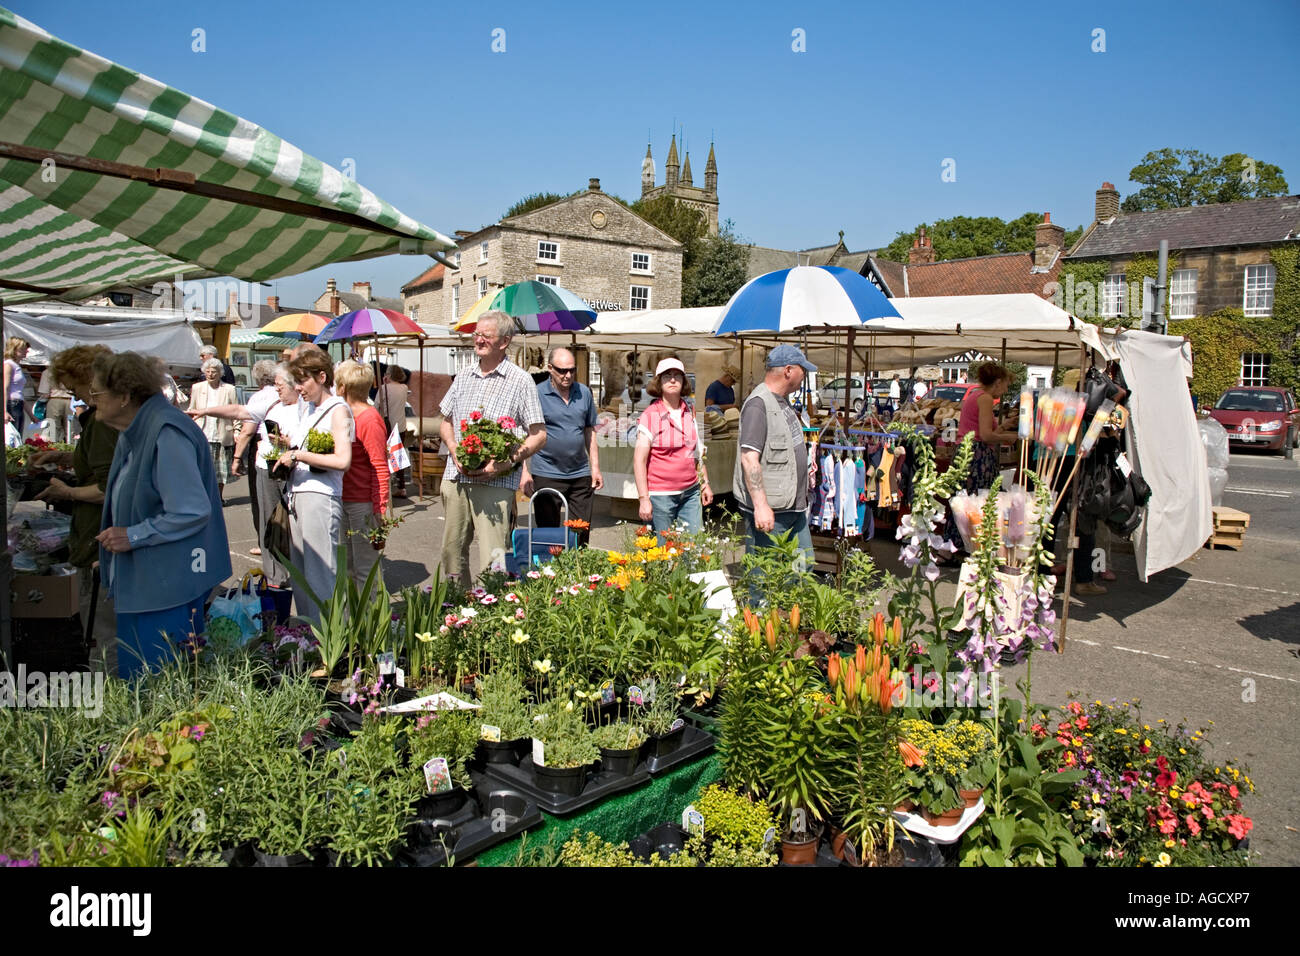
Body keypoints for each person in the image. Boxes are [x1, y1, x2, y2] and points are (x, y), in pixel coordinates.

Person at [92, 351, 231, 678]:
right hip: (149, 585)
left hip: (167, 586)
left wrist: (131, 536)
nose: (91, 400)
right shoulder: (140, 429)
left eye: (97, 393)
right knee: (143, 686)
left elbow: (191, 510)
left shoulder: (165, 430)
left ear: (124, 396)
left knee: (159, 689)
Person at [439, 311, 546, 586]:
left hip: (496, 480)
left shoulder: (520, 380)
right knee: (452, 552)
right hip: (457, 477)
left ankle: (492, 614)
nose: (478, 339)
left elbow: (538, 435)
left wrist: (507, 461)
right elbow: (446, 423)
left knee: (494, 556)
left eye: (486, 335)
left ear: (504, 341)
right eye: (477, 334)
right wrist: (453, 449)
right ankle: (455, 610)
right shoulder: (463, 376)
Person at [32, 346, 120, 670]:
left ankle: (110, 696)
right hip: (99, 537)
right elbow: (98, 464)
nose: (74, 396)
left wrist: (66, 492)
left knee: (102, 629)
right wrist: (62, 458)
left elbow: (108, 486)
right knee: (101, 626)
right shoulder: (103, 418)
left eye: (75, 388)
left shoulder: (103, 420)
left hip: (100, 538)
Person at [187, 362, 299, 586]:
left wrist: (290, 443)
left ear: (294, 385)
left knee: (295, 521)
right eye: (275, 385)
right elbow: (239, 411)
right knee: (268, 520)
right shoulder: (272, 403)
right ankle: (274, 575)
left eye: (280, 386)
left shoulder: (306, 406)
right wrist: (205, 411)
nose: (276, 389)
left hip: (294, 469)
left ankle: (300, 572)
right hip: (266, 467)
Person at [278, 349, 353, 622]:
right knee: (301, 575)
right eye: (296, 381)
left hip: (320, 498)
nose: (298, 388)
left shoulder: (338, 410)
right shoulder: (311, 410)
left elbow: (343, 459)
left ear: (322, 377)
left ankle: (333, 643)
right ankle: (310, 637)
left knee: (321, 574)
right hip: (298, 495)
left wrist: (298, 454)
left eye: (303, 380)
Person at [734, 345, 816, 565]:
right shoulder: (758, 405)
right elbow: (749, 458)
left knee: (802, 568)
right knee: (766, 577)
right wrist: (761, 506)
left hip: (794, 508)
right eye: (802, 370)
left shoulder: (781, 401)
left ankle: (794, 601)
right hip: (773, 513)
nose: (804, 376)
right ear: (788, 371)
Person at [520, 347, 602, 547]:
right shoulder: (536, 393)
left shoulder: (583, 392)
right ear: (549, 368)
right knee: (548, 535)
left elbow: (589, 430)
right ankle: (549, 574)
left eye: (572, 370)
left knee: (580, 533)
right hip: (547, 472)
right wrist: (523, 472)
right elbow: (522, 433)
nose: (568, 375)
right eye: (562, 370)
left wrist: (595, 468)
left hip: (579, 472)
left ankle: (579, 573)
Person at [944, 362, 1018, 555]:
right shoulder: (984, 398)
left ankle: (951, 548)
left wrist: (1004, 426)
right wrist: (1008, 437)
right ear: (998, 382)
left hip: (969, 452)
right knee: (976, 501)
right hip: (976, 456)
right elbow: (985, 435)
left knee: (963, 500)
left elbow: (984, 430)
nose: (1006, 390)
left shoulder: (975, 395)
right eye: (1006, 385)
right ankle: (965, 547)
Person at [634, 357, 712, 534]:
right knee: (664, 551)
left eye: (678, 375)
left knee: (692, 548)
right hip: (661, 495)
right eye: (667, 376)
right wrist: (643, 499)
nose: (672, 380)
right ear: (658, 382)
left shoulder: (689, 410)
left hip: (691, 492)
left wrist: (705, 483)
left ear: (684, 381)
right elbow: (639, 460)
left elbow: (697, 452)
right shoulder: (650, 415)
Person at [337, 360, 391, 589]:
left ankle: (372, 621)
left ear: (343, 387)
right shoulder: (345, 414)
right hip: (343, 497)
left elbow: (380, 466)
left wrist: (379, 508)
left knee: (365, 569)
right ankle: (351, 621)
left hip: (362, 503)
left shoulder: (369, 419)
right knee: (347, 566)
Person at [189, 358, 238, 499]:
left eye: (214, 372)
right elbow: (192, 410)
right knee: (203, 469)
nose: (210, 374)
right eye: (208, 371)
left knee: (221, 472)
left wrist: (236, 431)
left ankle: (218, 497)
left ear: (220, 373)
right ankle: (204, 497)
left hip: (222, 433)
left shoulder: (229, 389)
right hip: (203, 433)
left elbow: (235, 412)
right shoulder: (197, 388)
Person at [381, 365, 412, 498]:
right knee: (397, 454)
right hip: (401, 426)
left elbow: (377, 406)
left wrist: (384, 384)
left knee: (385, 456)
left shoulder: (384, 389)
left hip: (387, 426)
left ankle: (385, 485)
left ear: (389, 375)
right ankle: (401, 486)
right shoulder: (404, 388)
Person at [37, 365, 74, 443]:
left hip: (54, 400)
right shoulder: (73, 370)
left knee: (52, 430)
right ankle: (71, 449)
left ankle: (53, 449)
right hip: (71, 400)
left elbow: (45, 393)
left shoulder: (48, 372)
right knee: (71, 429)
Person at [4, 336, 30, 430]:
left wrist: (31, 415)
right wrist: (4, 411)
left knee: (17, 435)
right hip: (11, 403)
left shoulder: (15, 366)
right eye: (22, 349)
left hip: (17, 403)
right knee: (13, 436)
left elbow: (19, 393)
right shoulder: (9, 365)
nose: (26, 351)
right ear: (14, 350)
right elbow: (5, 388)